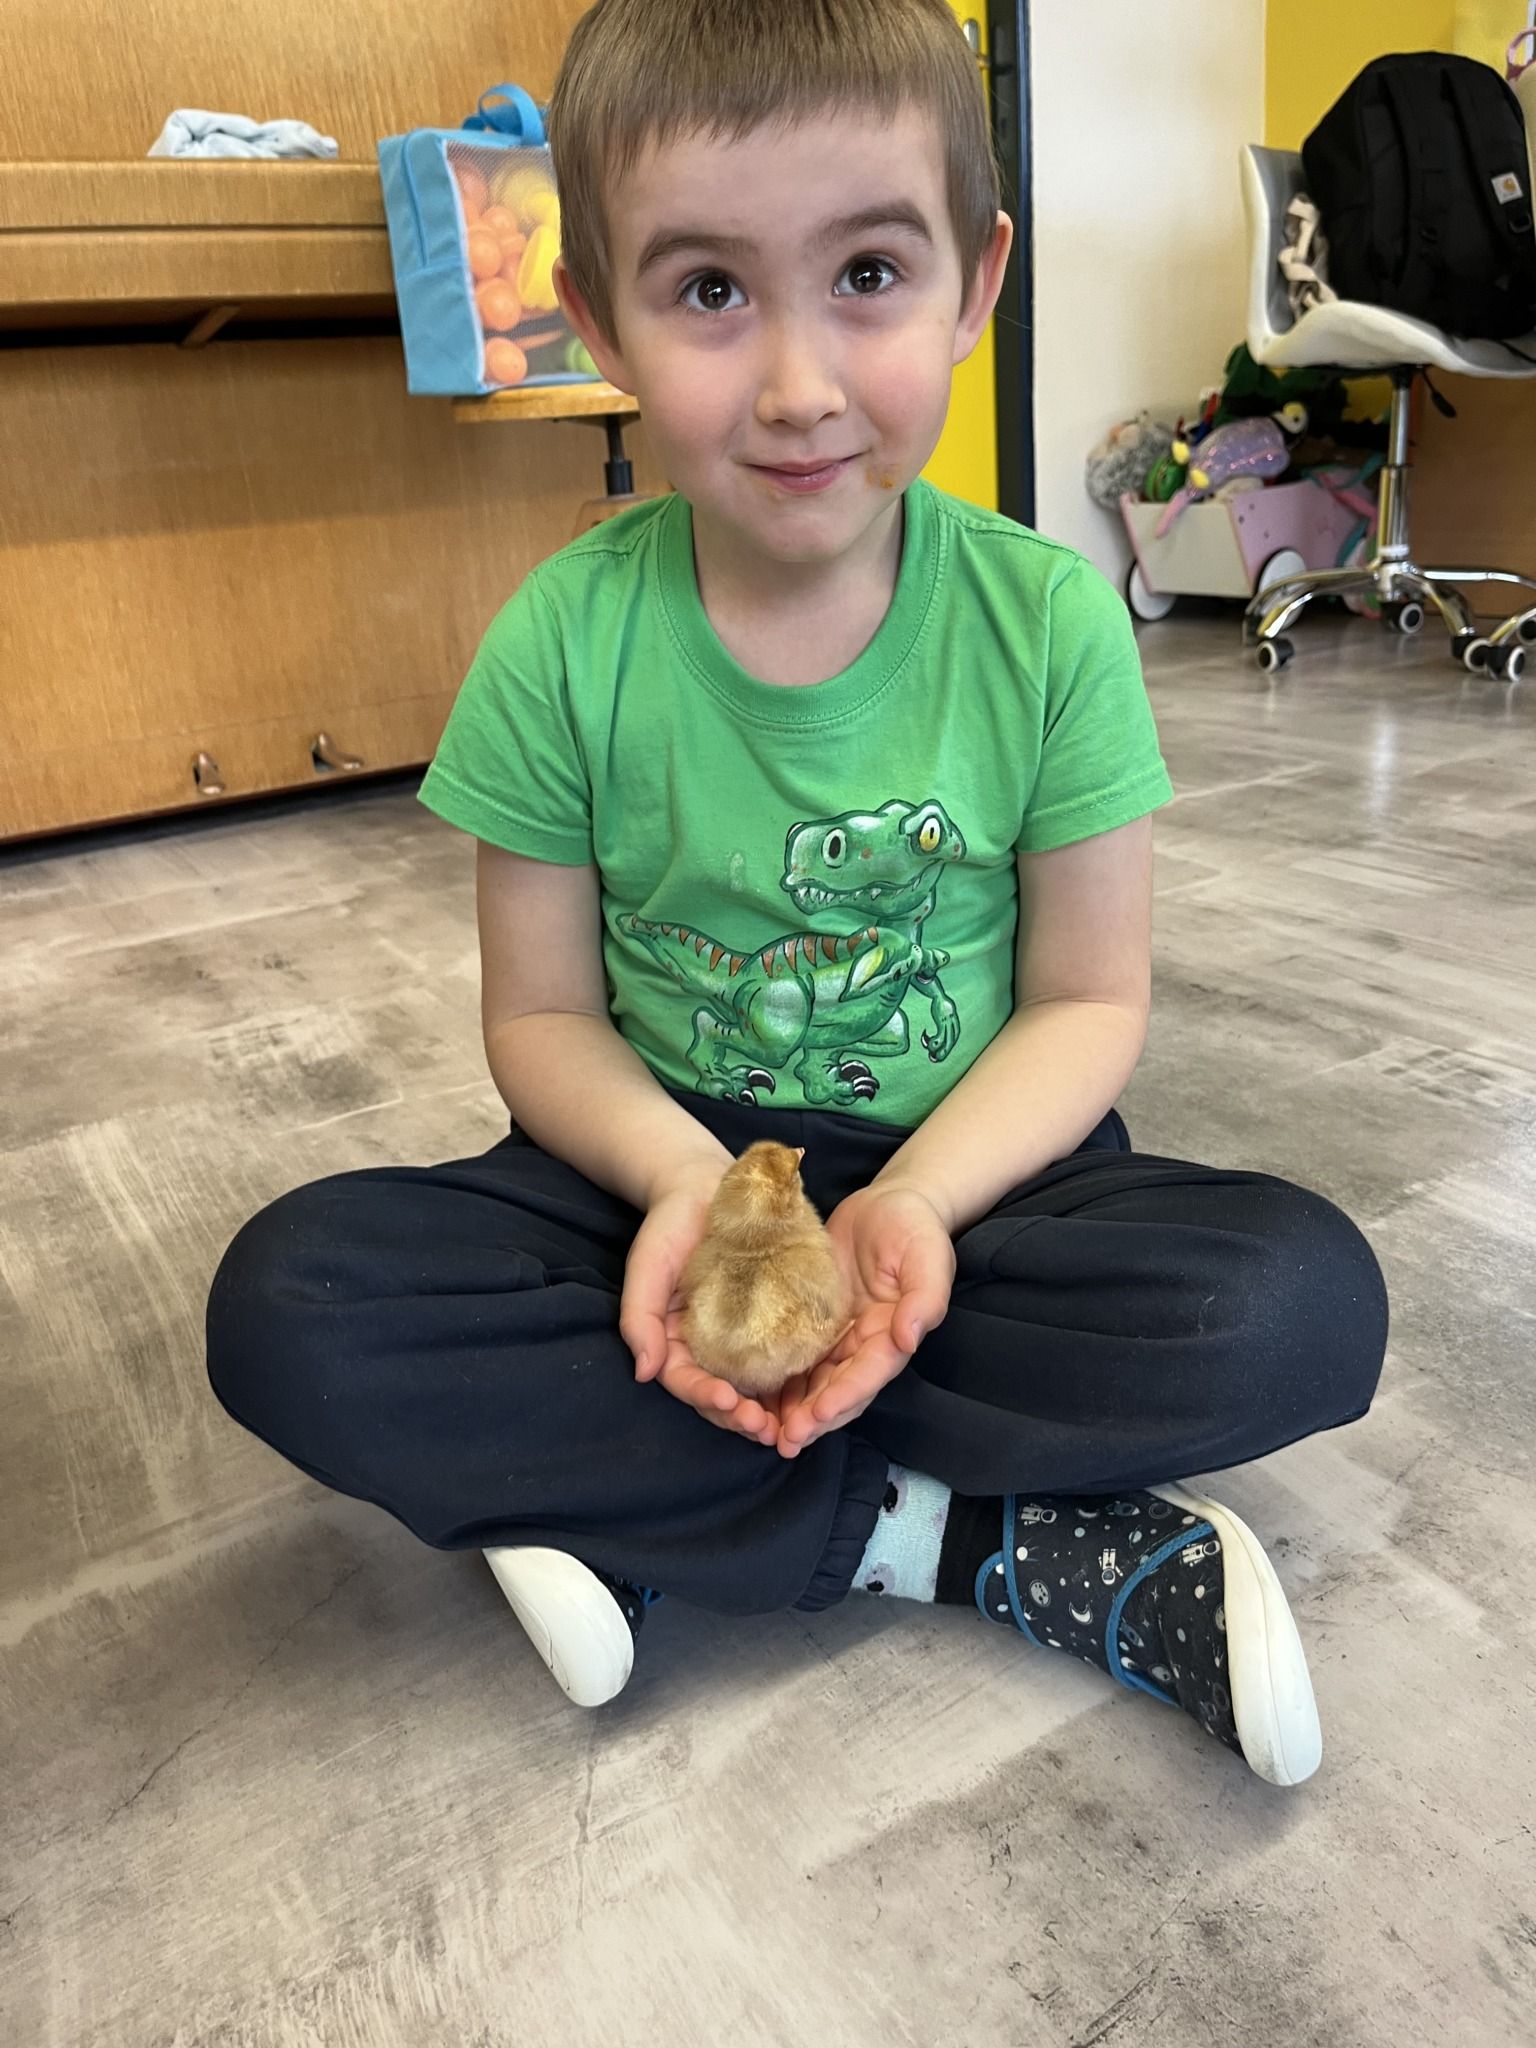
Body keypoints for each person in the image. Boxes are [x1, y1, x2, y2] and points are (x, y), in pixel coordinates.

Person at [206, 0, 1387, 1786]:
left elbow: (1088, 999)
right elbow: (544, 1016)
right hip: (654, 1187)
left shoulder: (1051, 624)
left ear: (977, 284)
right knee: (289, 1307)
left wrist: (915, 1205)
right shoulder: (558, 640)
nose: (797, 384)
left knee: (1296, 1303)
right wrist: (684, 1185)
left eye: (869, 275)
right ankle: (962, 1541)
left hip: (976, 1183)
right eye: (708, 290)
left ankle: (646, 1507)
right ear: (597, 316)